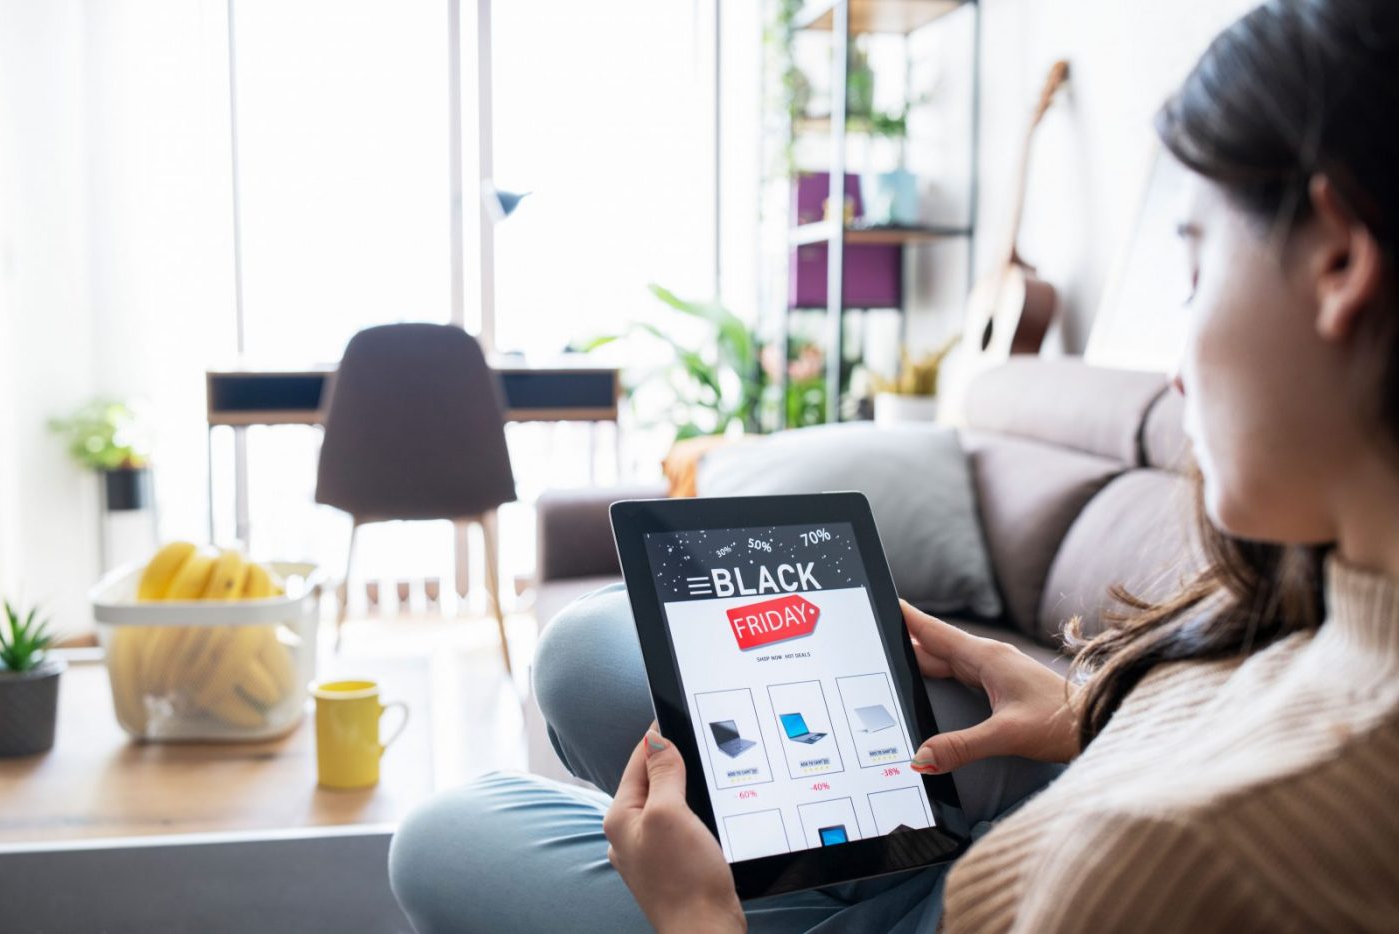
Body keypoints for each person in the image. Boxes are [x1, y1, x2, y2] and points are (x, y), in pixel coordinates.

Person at [389, 0, 1399, 929]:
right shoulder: (1322, 592)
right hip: (1026, 819)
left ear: (1338, 264)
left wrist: (697, 916)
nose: (1172, 372)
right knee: (584, 648)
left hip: (995, 890)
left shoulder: (1176, 858)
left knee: (445, 833)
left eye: (1190, 267)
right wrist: (1080, 712)